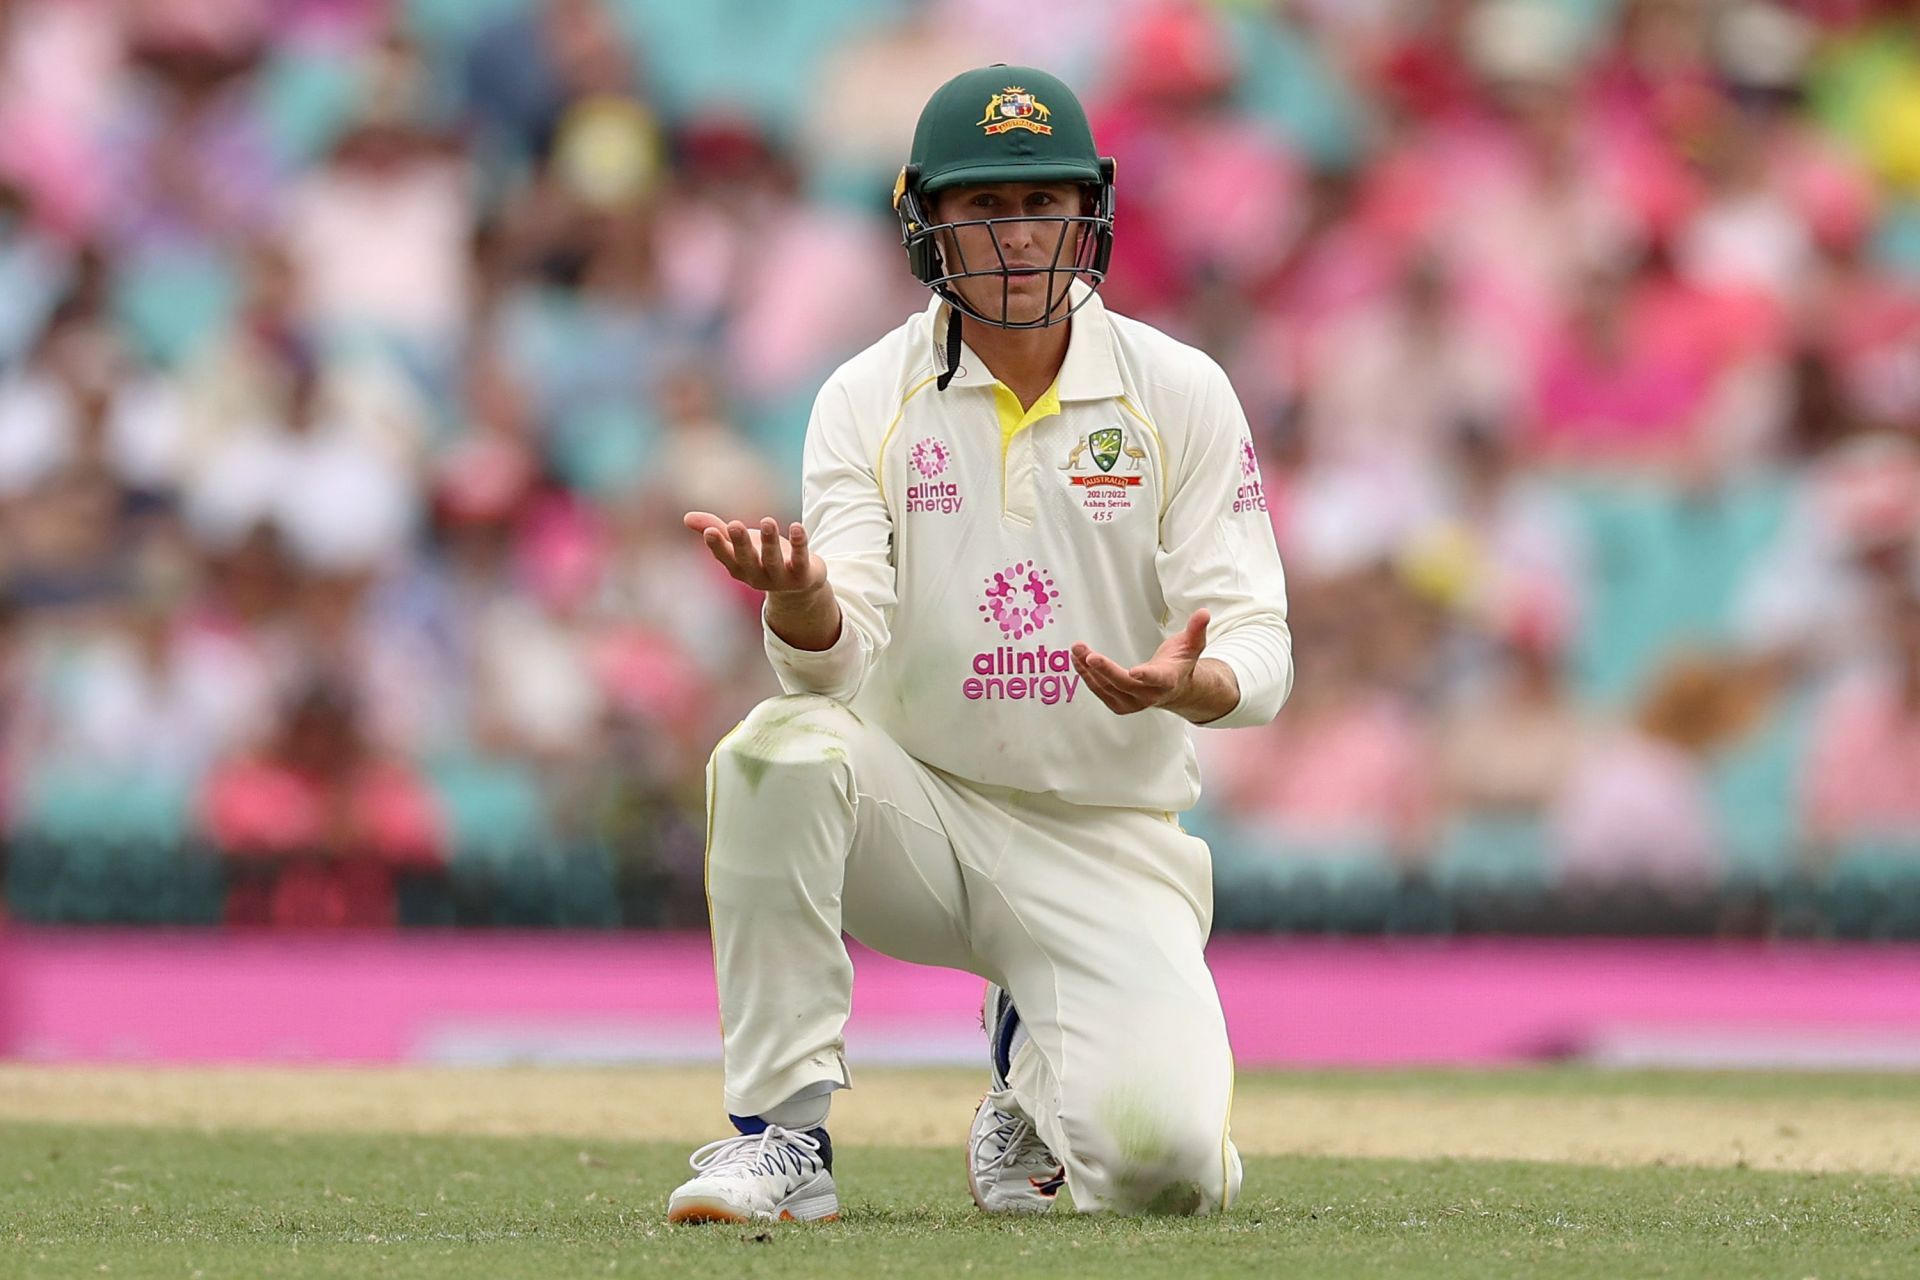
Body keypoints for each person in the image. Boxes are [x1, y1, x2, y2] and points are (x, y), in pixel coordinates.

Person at [668, 65, 1292, 1223]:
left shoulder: (1182, 390)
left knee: (1166, 1172)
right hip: (923, 815)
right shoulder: (865, 397)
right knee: (775, 748)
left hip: (1106, 836)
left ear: (1089, 215)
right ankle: (781, 1137)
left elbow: (1260, 635)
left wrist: (1194, 681)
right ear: (926, 223)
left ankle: (1033, 1072)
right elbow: (837, 658)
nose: (1018, 239)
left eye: (1043, 205)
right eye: (985, 210)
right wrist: (800, 601)